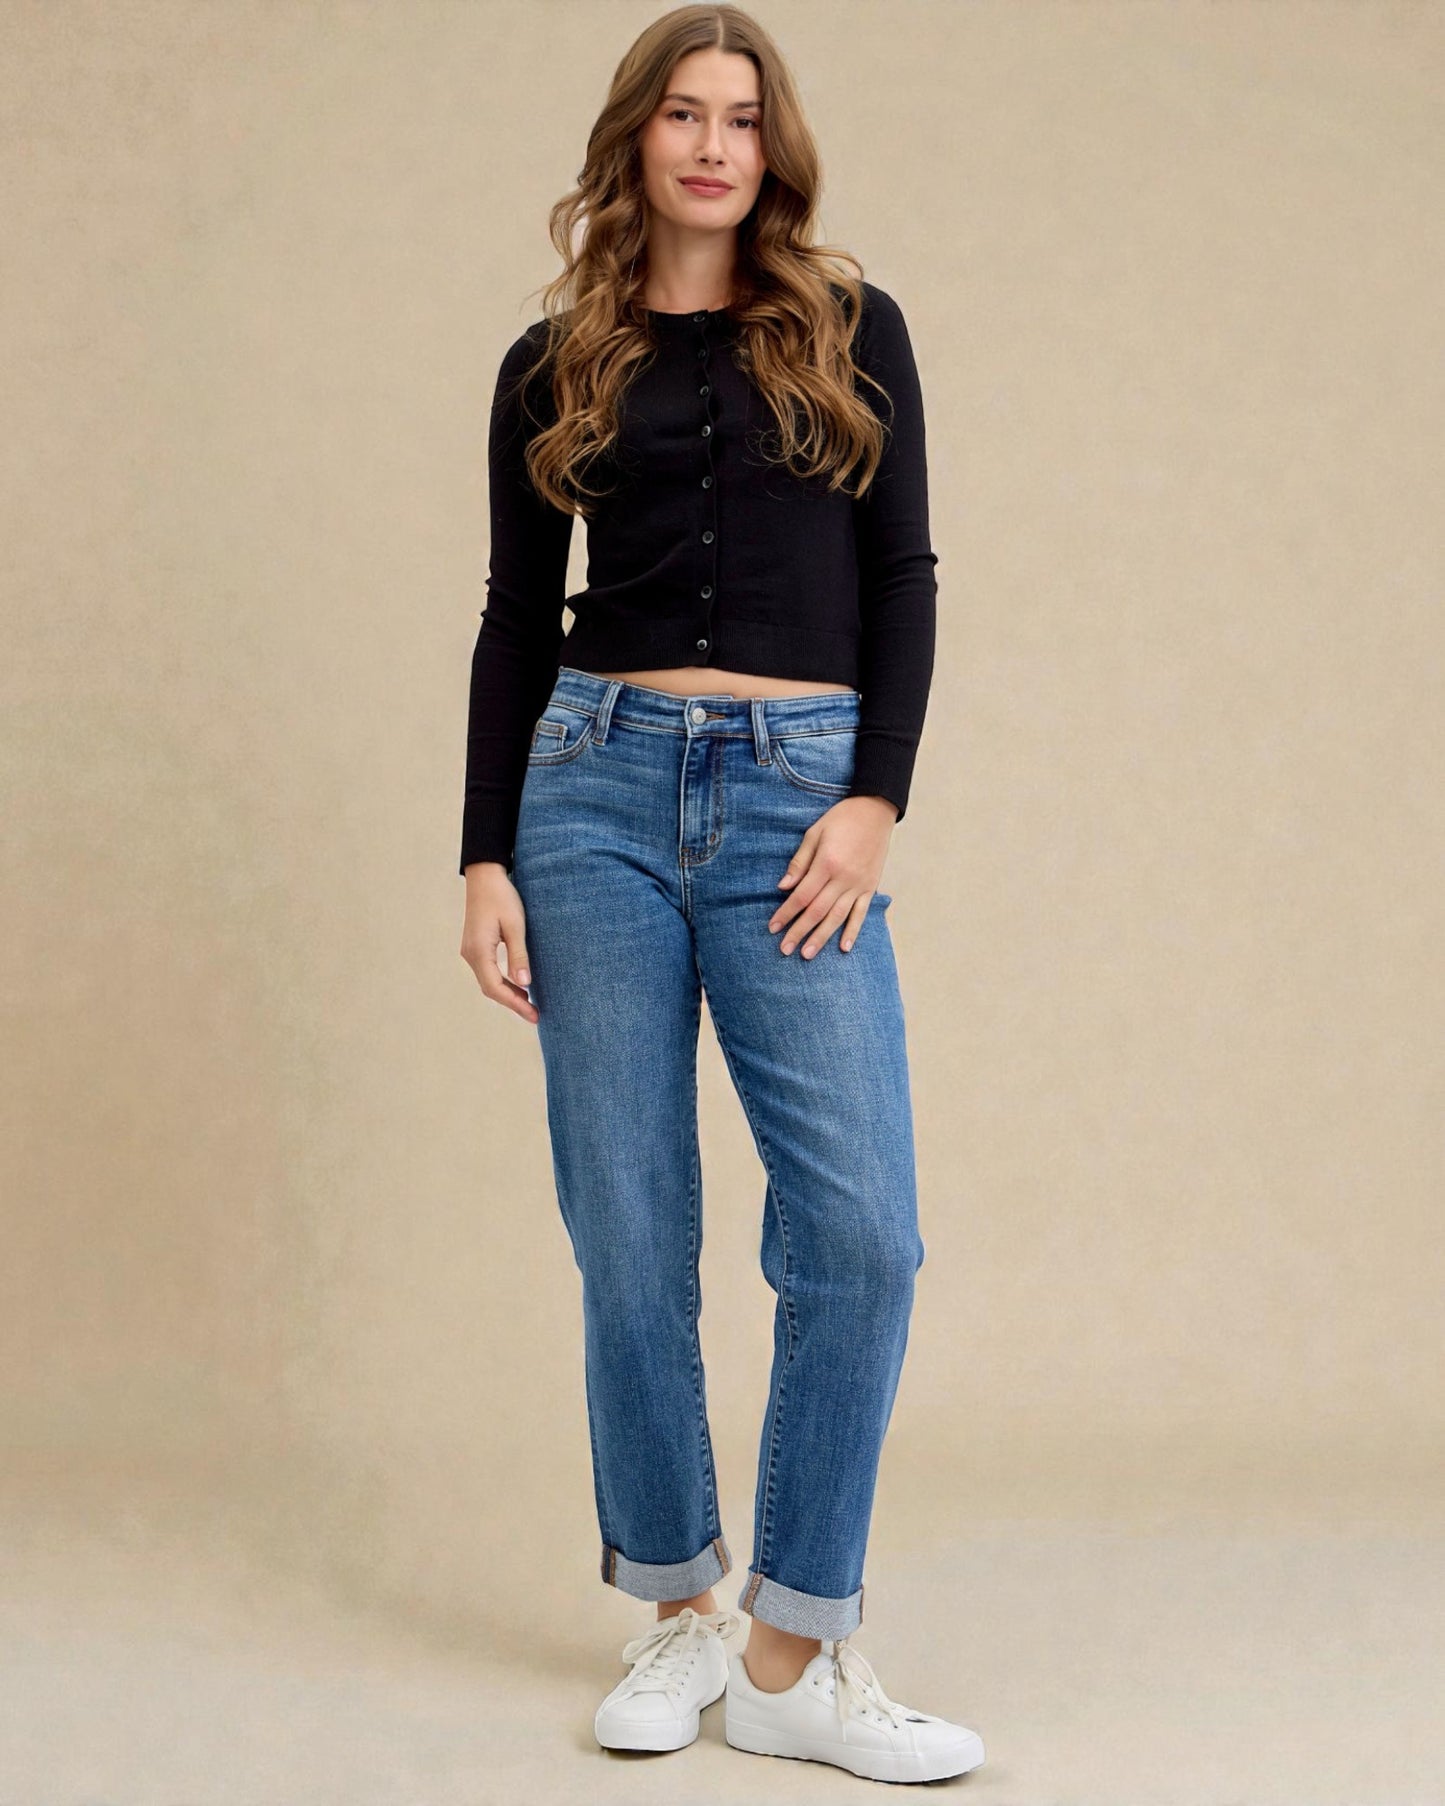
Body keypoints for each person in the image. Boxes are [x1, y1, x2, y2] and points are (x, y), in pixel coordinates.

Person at [458, 5, 985, 1785]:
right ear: (637, 137)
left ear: (774, 148)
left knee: (857, 1231)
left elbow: (903, 574)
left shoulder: (849, 328)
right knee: (626, 1225)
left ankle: (791, 1647)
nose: (710, 145)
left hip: (792, 799)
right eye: (682, 113)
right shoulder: (551, 361)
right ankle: (679, 1605)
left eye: (740, 118)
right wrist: (482, 851)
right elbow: (515, 615)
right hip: (589, 793)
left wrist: (873, 797)